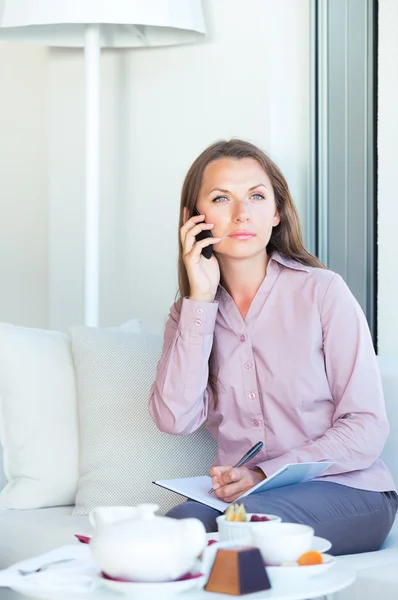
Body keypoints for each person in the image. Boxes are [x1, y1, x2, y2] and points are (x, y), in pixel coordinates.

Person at [149, 139, 398, 555]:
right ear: (195, 217)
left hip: (350, 493)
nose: (241, 214)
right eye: (221, 198)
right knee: (174, 532)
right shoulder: (188, 313)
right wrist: (200, 301)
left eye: (257, 196)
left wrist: (265, 473)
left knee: (246, 527)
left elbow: (367, 427)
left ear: (277, 212)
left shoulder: (323, 293)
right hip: (243, 501)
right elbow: (174, 418)